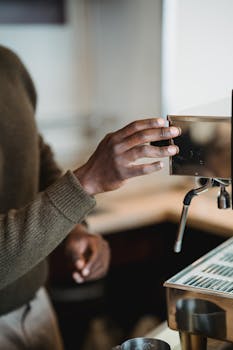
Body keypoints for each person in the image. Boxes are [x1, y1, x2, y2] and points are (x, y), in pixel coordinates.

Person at [0, 44, 180, 350]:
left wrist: (75, 228)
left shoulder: (8, 65)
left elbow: (38, 155)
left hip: (36, 306)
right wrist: (87, 182)